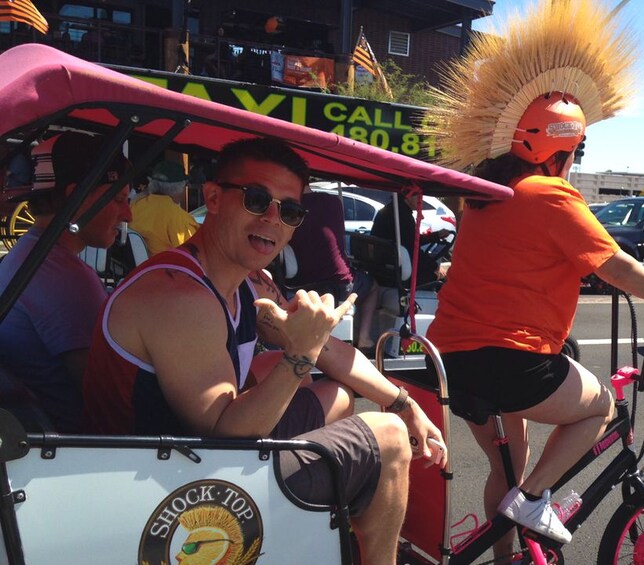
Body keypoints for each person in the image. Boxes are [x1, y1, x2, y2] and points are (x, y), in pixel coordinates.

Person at [421, 0, 644, 555]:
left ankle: (507, 550)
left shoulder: (489, 198)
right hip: (512, 360)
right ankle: (532, 501)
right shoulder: (551, 195)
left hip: (453, 361)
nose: (577, 160)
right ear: (561, 146)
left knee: (509, 463)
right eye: (579, 148)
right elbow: (616, 265)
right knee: (600, 406)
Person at [82, 137, 447, 565]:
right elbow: (227, 434)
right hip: (161, 498)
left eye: (288, 210)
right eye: (257, 200)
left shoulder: (243, 282)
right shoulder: (181, 298)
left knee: (336, 394)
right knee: (385, 439)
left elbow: (327, 349)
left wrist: (402, 401)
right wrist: (302, 353)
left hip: (187, 463)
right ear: (213, 198)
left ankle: (317, 530)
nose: (273, 219)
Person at [0, 132, 132, 432]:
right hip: (77, 457)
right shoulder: (64, 278)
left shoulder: (30, 254)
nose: (129, 215)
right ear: (76, 196)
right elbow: (109, 401)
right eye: (120, 199)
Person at [286, 189, 379, 353]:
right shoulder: (332, 202)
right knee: (373, 286)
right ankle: (364, 337)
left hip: (299, 283)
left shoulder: (287, 206)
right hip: (338, 283)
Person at [370, 191, 450, 286]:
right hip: (398, 267)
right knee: (441, 279)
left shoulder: (388, 210)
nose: (421, 201)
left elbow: (411, 240)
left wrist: (436, 236)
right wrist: (434, 266)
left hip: (385, 265)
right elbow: (412, 246)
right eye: (418, 197)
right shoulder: (403, 215)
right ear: (408, 197)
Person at [130, 160, 199, 255]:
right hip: (164, 267)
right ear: (179, 188)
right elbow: (195, 255)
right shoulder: (177, 218)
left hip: (141, 267)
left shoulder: (135, 205)